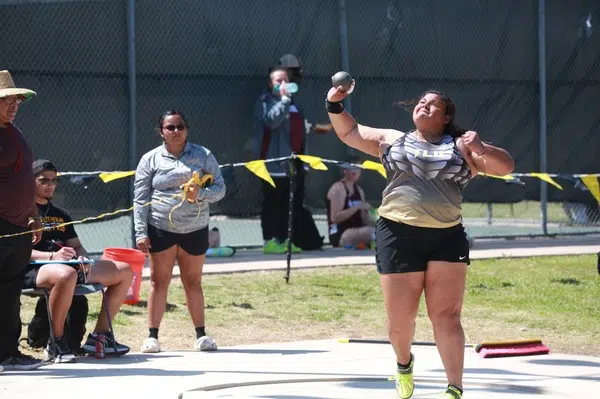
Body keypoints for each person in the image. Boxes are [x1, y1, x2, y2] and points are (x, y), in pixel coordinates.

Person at [326, 84, 515, 399]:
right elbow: (351, 133)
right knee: (400, 320)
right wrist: (334, 104)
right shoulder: (392, 139)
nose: (425, 106)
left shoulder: (463, 146)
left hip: (446, 237)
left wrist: (481, 148)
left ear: (446, 117)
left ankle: (454, 388)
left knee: (446, 315)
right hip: (397, 233)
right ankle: (403, 364)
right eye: (422, 102)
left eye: (433, 105)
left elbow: (506, 166)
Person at [134, 110, 225, 353]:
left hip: (195, 229)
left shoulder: (203, 155)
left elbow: (220, 188)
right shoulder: (150, 159)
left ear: (187, 129)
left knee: (193, 282)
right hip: (160, 228)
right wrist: (141, 232)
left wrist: (200, 195)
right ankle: (152, 337)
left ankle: (201, 335)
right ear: (161, 131)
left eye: (180, 126)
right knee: (157, 282)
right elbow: (140, 199)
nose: (176, 131)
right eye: (170, 127)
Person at [24, 159, 133, 362]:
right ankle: (55, 342)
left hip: (68, 265)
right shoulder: (22, 212)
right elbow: (18, 250)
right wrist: (52, 257)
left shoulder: (61, 214)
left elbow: (76, 245)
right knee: (67, 274)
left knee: (124, 270)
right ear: (30, 182)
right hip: (34, 267)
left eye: (53, 181)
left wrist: (83, 257)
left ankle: (100, 336)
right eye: (43, 180)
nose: (50, 185)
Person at [253, 66, 324, 254]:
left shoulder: (295, 103)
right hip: (272, 163)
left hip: (294, 163)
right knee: (272, 203)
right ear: (271, 84)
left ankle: (284, 240)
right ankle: (269, 241)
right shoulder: (265, 102)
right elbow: (271, 121)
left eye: (286, 80)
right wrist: (284, 100)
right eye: (279, 80)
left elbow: (299, 132)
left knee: (288, 204)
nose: (283, 84)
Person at [0, 70, 44, 371]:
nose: (14, 105)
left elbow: (25, 179)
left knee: (10, 292)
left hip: (20, 228)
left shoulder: (16, 132)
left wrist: (34, 217)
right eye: (7, 100)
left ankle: (9, 353)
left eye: (16, 100)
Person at [325, 160, 375, 248]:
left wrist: (370, 215)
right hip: (341, 234)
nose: (355, 171)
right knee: (371, 232)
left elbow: (364, 219)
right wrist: (357, 207)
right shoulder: (338, 188)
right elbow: (335, 218)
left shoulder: (359, 190)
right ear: (345, 170)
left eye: (358, 168)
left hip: (359, 231)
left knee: (378, 230)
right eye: (353, 168)